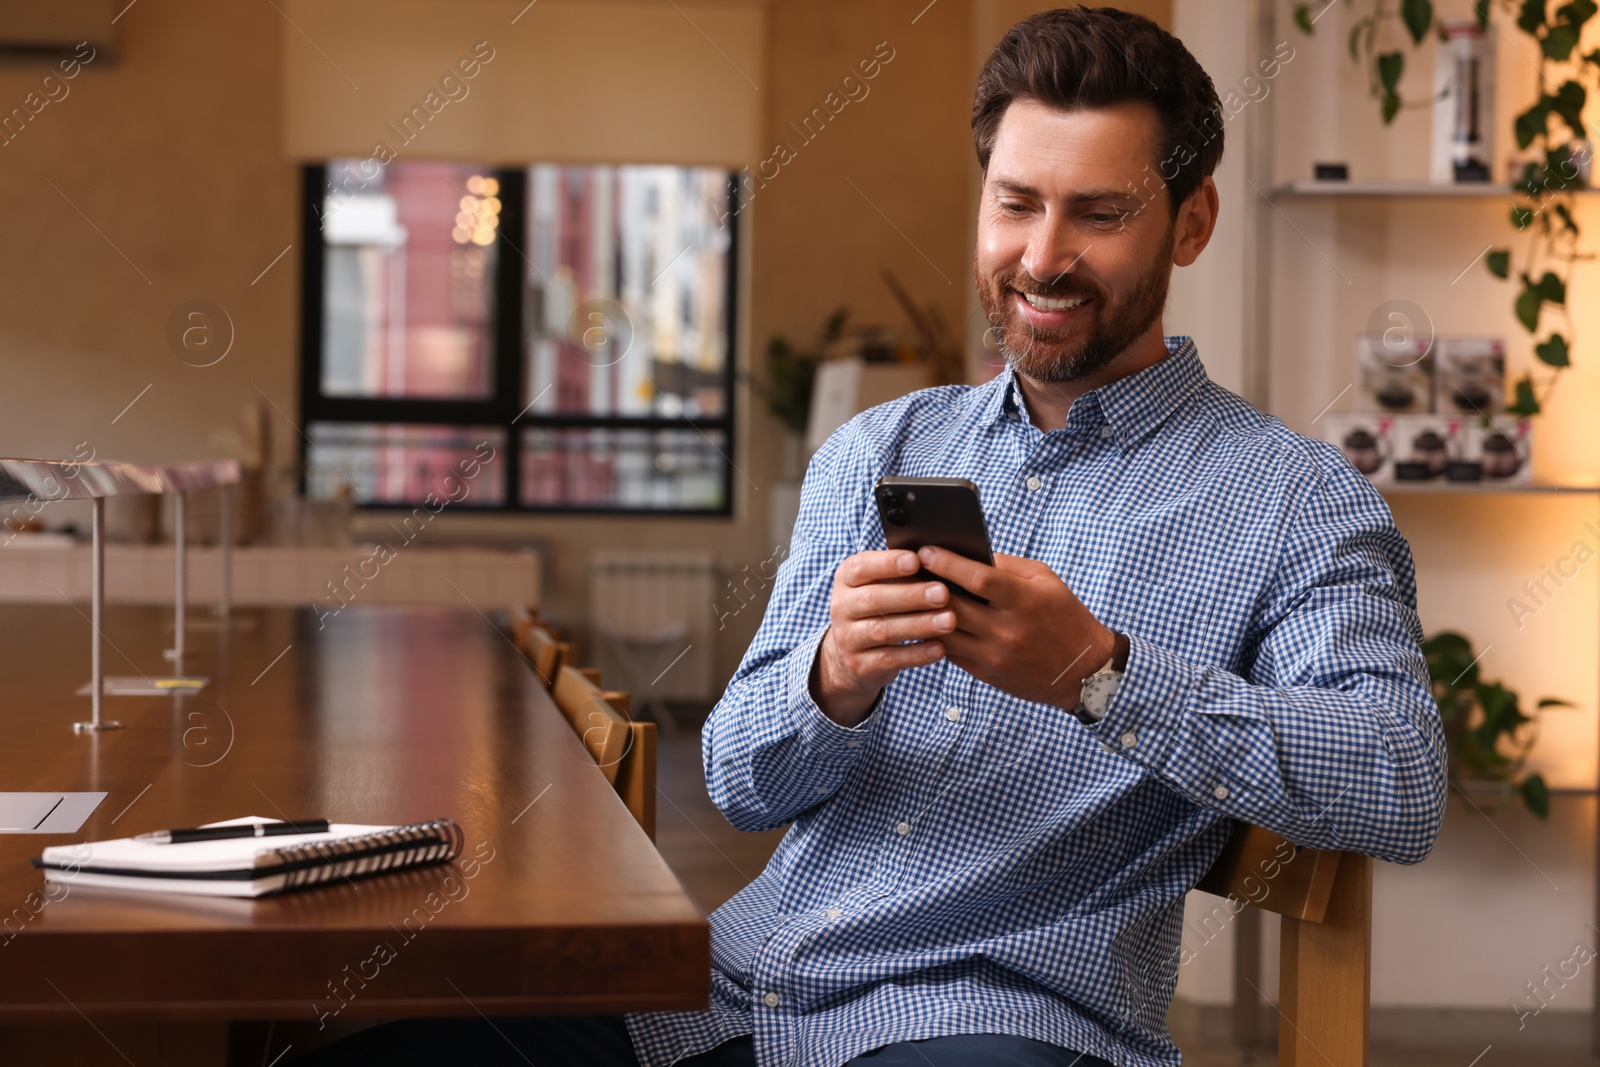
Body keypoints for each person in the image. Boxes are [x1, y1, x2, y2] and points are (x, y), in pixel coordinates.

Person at [298, 7, 1446, 1066]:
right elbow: (739, 779)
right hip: (723, 996)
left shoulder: (1299, 501)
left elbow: (1397, 780)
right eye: (1015, 201)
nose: (1043, 255)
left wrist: (1100, 675)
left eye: (1099, 213)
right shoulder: (875, 449)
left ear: (1189, 223)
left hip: (993, 1019)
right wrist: (830, 678)